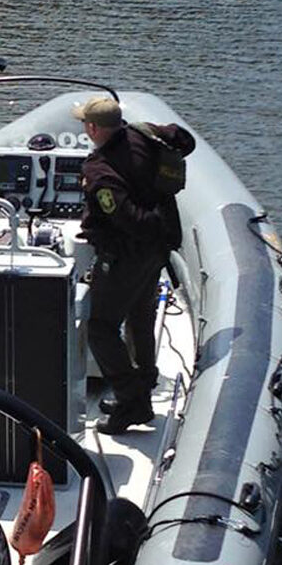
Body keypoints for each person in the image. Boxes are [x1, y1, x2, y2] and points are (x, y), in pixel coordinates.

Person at [75, 97, 192, 433]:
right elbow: (185, 140)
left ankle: (131, 400)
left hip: (126, 256)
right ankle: (141, 388)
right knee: (140, 319)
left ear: (93, 128)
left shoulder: (100, 170)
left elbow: (127, 218)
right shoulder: (145, 135)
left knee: (100, 326)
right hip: (157, 249)